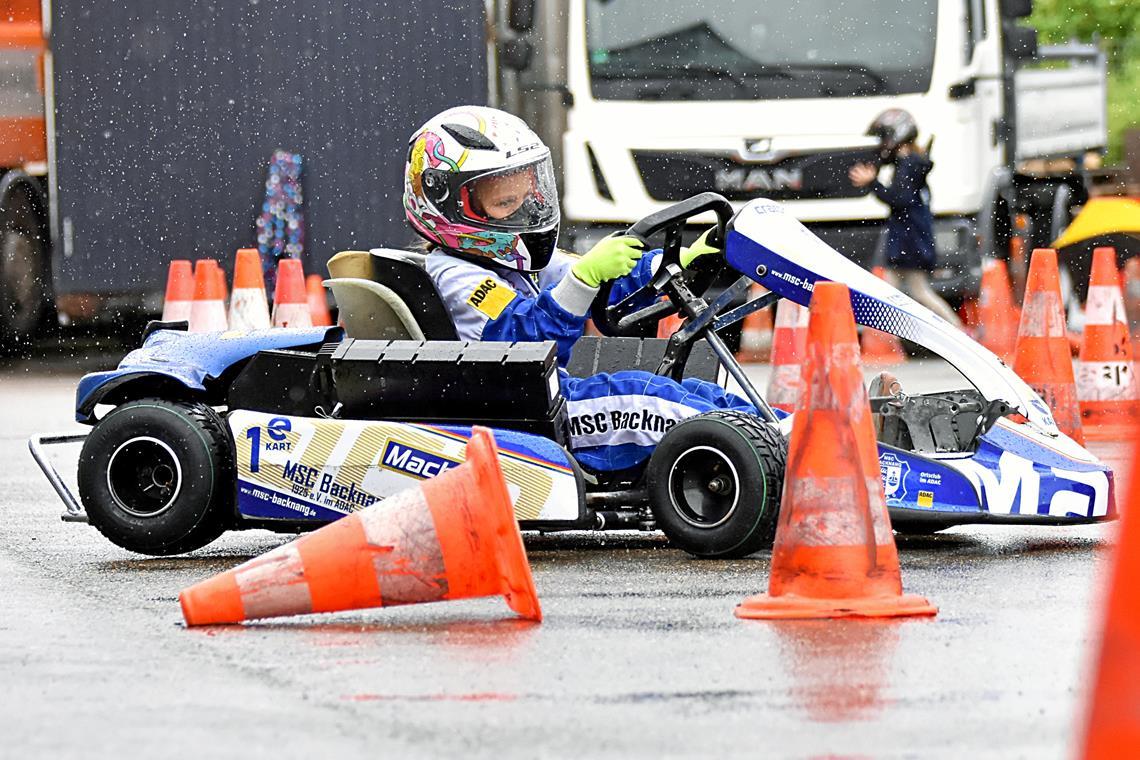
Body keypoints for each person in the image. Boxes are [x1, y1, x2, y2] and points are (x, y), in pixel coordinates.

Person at [402, 105, 756, 472]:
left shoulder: (511, 260)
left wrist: (676, 261)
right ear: (449, 204)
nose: (525, 212)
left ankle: (783, 433)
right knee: (654, 402)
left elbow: (602, 281)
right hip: (527, 414)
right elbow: (524, 346)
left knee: (695, 394)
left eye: (527, 196)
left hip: (553, 398)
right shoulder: (455, 275)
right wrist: (581, 281)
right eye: (507, 203)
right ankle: (767, 449)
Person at [848, 109, 962, 328]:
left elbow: (899, 199)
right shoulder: (911, 164)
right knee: (896, 289)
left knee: (915, 292)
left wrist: (873, 182)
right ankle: (880, 332)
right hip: (911, 240)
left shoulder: (909, 165)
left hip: (910, 243)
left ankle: (956, 329)